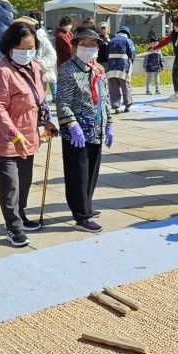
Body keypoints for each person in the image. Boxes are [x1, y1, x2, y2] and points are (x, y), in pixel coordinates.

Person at [0, 21, 55, 247]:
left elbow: (38, 98)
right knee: (10, 187)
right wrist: (14, 136)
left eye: (31, 48)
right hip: (6, 140)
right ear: (9, 46)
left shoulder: (34, 66)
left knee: (24, 182)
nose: (27, 53)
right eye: (22, 48)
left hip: (29, 136)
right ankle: (13, 228)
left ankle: (21, 216)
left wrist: (46, 122)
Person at [55, 26, 113, 232]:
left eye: (92, 44)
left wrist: (109, 124)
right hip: (76, 132)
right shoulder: (68, 70)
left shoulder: (98, 69)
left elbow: (105, 98)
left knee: (91, 172)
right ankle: (81, 216)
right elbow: (62, 102)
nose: (88, 48)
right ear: (75, 46)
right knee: (77, 174)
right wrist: (71, 124)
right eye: (83, 44)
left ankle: (86, 205)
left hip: (96, 128)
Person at [150, 17, 178, 98]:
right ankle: (177, 93)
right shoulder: (173, 34)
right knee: (174, 74)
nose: (174, 27)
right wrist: (155, 48)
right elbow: (165, 41)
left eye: (177, 25)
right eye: (174, 25)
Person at [106, 25, 136, 112]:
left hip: (111, 67)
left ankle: (116, 107)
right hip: (123, 67)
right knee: (125, 87)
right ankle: (127, 106)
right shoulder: (128, 40)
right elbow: (132, 54)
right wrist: (131, 63)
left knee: (113, 88)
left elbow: (107, 54)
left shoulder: (111, 41)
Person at [28, 11, 58, 100]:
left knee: (41, 97)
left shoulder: (41, 36)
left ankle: (54, 96)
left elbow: (52, 54)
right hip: (31, 71)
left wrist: (39, 65)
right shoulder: (27, 35)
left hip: (39, 70)